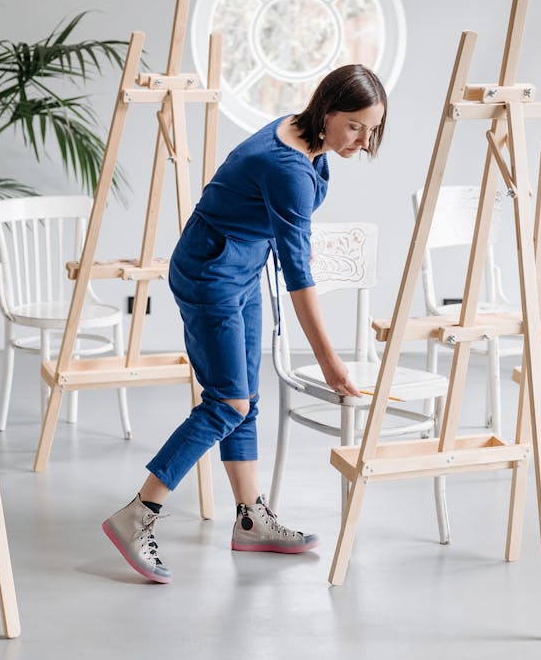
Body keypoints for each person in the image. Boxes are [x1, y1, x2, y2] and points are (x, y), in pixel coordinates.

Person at [102, 63, 388, 583]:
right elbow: (301, 278)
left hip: (241, 264)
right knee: (228, 402)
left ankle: (251, 519)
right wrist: (328, 362)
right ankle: (136, 516)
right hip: (210, 274)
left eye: (373, 128)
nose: (365, 141)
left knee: (245, 397)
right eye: (355, 126)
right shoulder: (287, 168)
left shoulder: (302, 134)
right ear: (326, 112)